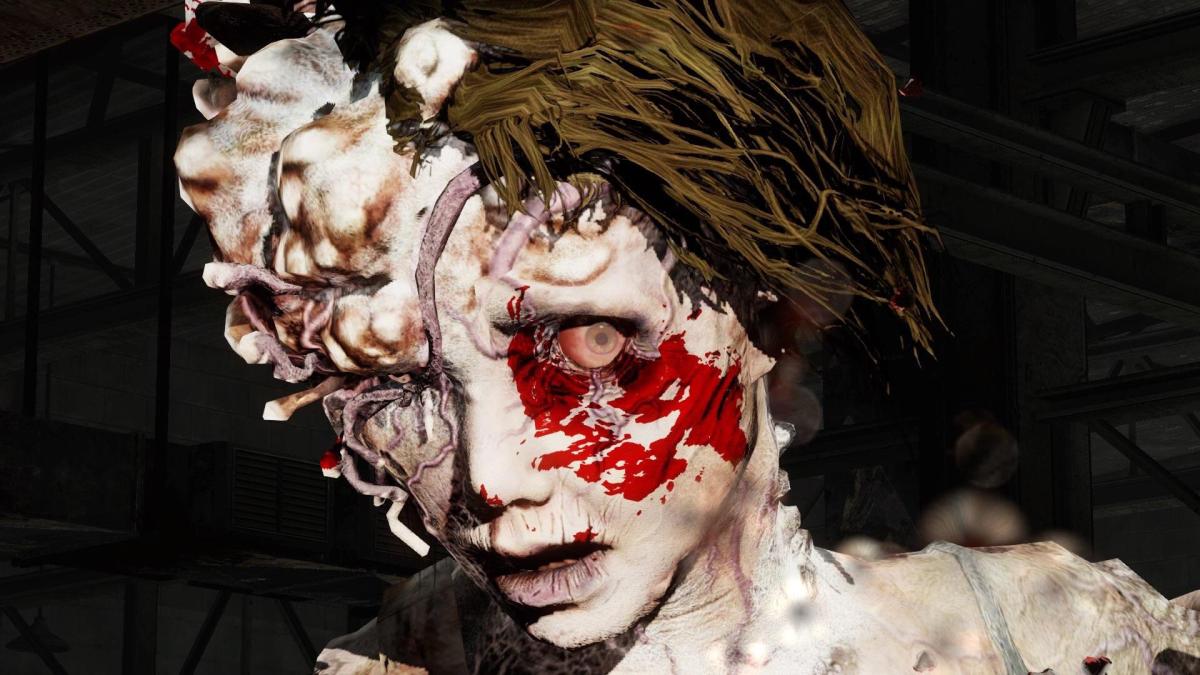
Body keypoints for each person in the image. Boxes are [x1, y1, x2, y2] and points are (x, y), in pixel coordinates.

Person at [174, 1, 1200, 672]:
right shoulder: (401, 656)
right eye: (397, 387)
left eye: (590, 347)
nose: (490, 479)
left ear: (769, 312)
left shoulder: (1046, 639)